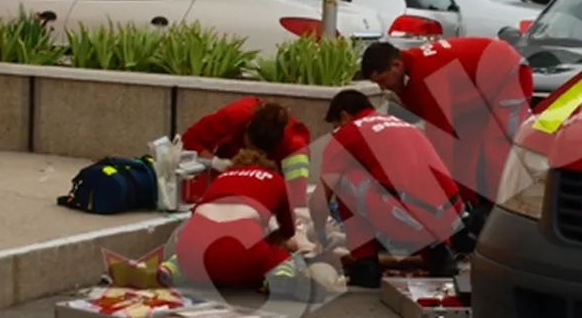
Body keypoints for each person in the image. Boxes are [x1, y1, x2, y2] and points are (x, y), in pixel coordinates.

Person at [358, 38, 534, 211]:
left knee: (497, 150)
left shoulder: (427, 75)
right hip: (477, 89)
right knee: (463, 154)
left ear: (396, 65)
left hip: (510, 75)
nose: (382, 89)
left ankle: (505, 213)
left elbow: (441, 136)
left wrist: (438, 187)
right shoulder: (409, 71)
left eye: (382, 80)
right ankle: (467, 204)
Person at [314, 89, 463, 288]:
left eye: (335, 126)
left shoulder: (347, 133)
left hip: (409, 221)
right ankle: (440, 254)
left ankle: (365, 264)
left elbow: (320, 199)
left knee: (343, 179)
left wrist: (318, 236)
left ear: (344, 116)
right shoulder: (403, 125)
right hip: (452, 216)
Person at [159, 133, 308, 295]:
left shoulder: (221, 178)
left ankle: (174, 268)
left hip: (196, 249)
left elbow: (196, 212)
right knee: (279, 256)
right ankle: (278, 276)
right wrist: (277, 240)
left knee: (187, 254)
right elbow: (288, 229)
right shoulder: (274, 178)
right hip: (240, 252)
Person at [182, 97, 317, 252]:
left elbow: (296, 205)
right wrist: (215, 162)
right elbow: (190, 140)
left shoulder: (295, 150)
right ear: (247, 127)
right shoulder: (235, 115)